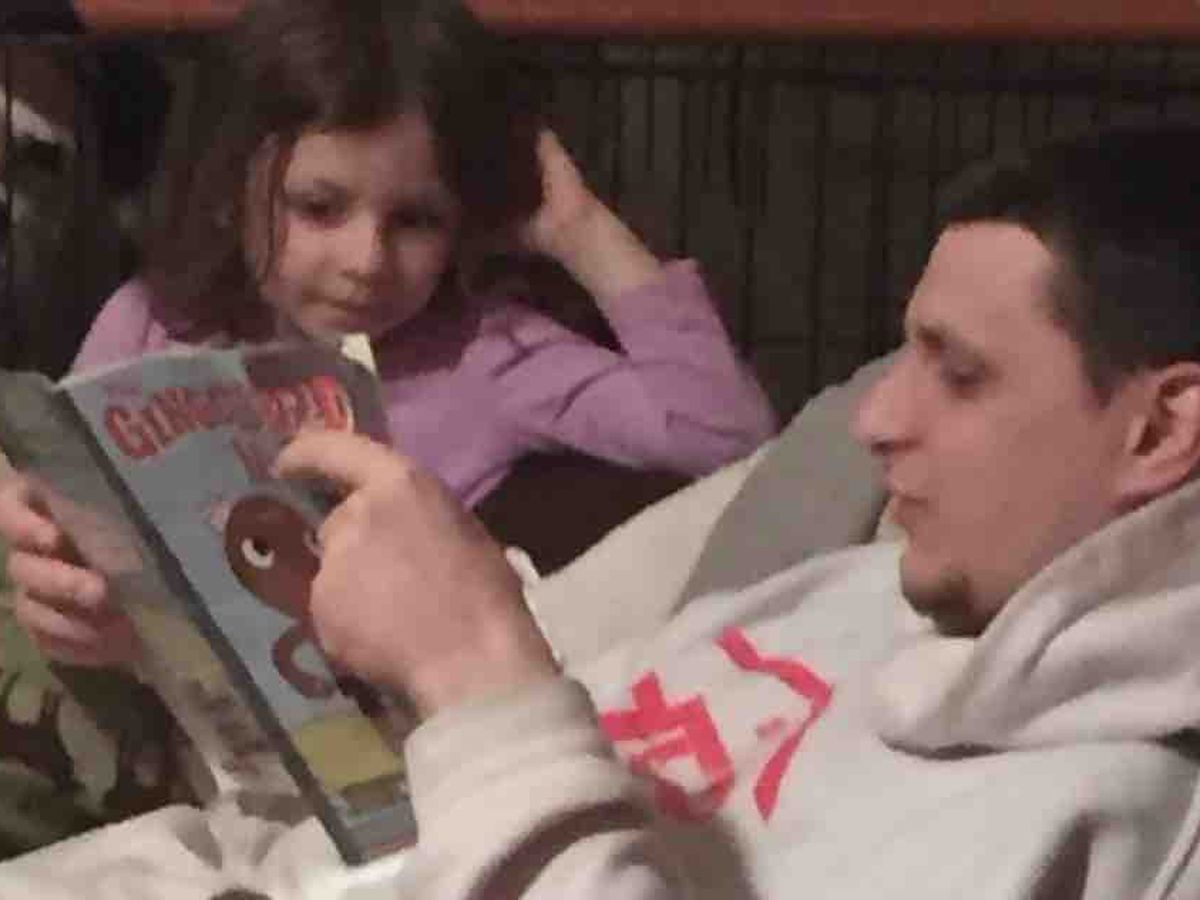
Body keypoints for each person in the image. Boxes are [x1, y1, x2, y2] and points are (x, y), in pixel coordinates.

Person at [4, 123, 1199, 898]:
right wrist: (175, 628)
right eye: (903, 356)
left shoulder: (1099, 814)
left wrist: (477, 673)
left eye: (961, 373)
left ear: (1159, 430)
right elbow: (418, 773)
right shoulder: (858, 583)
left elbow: (502, 712)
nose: (877, 418)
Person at [0, 0, 775, 669]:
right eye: (319, 208)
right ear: (231, 192)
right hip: (153, 685)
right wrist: (34, 535)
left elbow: (729, 437)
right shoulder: (152, 319)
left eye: (416, 220)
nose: (366, 261)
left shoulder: (490, 353)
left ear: (464, 220)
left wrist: (581, 229)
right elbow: (53, 490)